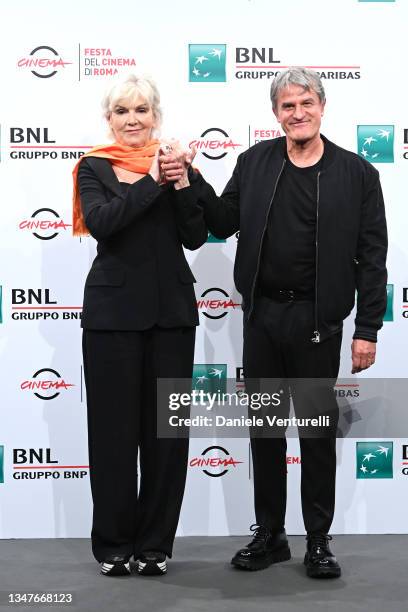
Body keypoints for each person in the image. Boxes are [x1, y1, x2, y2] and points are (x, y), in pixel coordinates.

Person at [160, 67, 387, 578]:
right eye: (287, 106)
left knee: (315, 434)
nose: (298, 113)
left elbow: (373, 259)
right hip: (262, 318)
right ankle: (270, 535)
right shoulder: (255, 162)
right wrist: (189, 179)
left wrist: (368, 328)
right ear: (276, 114)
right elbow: (220, 223)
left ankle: (319, 541)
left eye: (306, 103)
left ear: (322, 107)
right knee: (264, 432)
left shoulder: (357, 174)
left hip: (317, 324)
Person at [72, 74, 207, 577]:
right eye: (122, 111)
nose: (133, 120)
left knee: (167, 439)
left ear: (157, 116)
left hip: (172, 318)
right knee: (111, 436)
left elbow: (196, 236)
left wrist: (182, 181)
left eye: (142, 110)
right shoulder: (93, 167)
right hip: (111, 321)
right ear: (109, 120)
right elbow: (104, 224)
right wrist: (151, 180)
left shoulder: (176, 167)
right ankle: (112, 546)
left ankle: (154, 547)